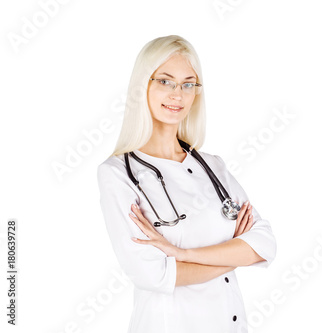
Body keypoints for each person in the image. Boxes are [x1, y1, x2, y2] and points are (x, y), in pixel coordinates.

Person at [96, 35, 277, 333]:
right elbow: (151, 273)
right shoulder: (118, 174)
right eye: (165, 81)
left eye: (188, 84)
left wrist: (183, 255)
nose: (177, 94)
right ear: (143, 86)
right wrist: (235, 255)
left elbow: (265, 243)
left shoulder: (213, 166)